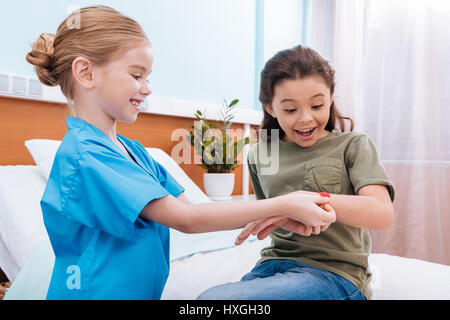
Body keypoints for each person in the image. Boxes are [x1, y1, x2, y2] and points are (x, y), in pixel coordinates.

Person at [25, 6, 336, 300]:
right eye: (136, 75)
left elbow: (197, 209)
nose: (146, 88)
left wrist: (279, 214)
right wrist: (285, 202)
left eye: (147, 77)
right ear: (86, 73)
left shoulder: (134, 152)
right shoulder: (86, 156)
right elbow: (186, 219)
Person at [197, 45, 395, 300]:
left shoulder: (353, 145)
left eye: (317, 105)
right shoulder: (261, 154)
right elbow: (265, 214)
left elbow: (382, 214)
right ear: (270, 107)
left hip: (336, 274)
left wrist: (303, 200)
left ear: (331, 97)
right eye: (290, 110)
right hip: (272, 266)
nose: (305, 119)